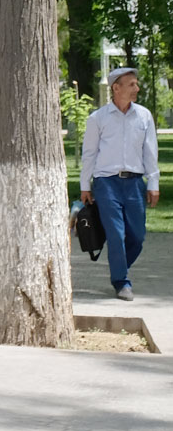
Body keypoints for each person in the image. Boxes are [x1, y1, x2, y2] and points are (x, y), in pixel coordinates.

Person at [80, 66, 161, 301]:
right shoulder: (98, 119)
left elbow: (150, 152)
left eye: (136, 84)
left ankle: (119, 265)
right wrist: (86, 185)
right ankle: (121, 281)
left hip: (135, 183)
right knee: (116, 234)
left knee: (137, 236)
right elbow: (89, 153)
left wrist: (153, 182)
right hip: (106, 184)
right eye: (132, 84)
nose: (137, 88)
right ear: (116, 88)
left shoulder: (144, 116)